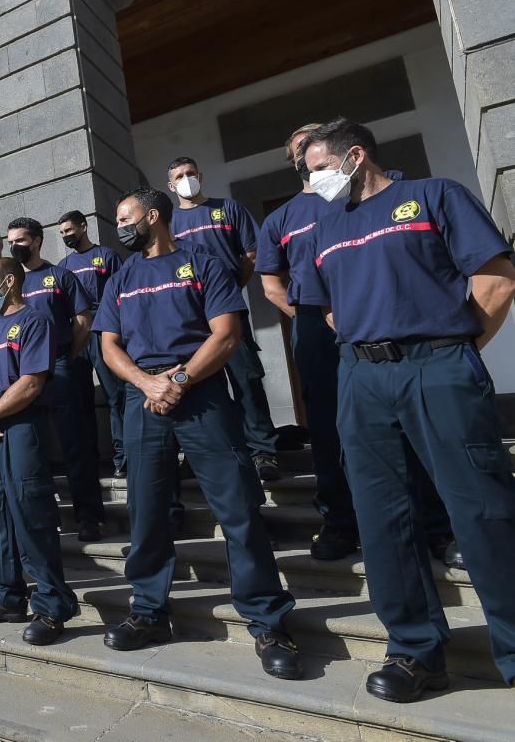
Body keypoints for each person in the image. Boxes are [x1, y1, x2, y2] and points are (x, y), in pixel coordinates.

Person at [301, 117, 515, 702]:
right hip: (363, 377)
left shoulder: (432, 195)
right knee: (381, 516)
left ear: (355, 156)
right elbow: (325, 308)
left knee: (483, 510)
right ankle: (415, 652)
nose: (311, 178)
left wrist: (450, 349)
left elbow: (495, 280)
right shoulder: (325, 226)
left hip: (438, 366)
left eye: (317, 166)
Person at [94, 187, 302, 681]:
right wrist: (148, 382)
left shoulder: (203, 263)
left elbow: (226, 334)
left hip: (202, 395)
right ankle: (148, 610)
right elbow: (109, 345)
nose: (119, 226)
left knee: (238, 508)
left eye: (125, 218)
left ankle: (268, 620)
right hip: (142, 401)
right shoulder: (121, 278)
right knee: (145, 511)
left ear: (151, 216)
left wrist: (179, 380)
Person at [254, 125, 360, 560]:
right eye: (299, 145)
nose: (308, 149)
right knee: (326, 424)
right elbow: (271, 284)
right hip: (315, 325)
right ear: (294, 160)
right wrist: (311, 314)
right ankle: (339, 521)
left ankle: (432, 523)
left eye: (316, 141)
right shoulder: (280, 218)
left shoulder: (359, 196)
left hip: (373, 317)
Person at [0, 256, 78, 645]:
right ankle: (6, 597)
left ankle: (52, 604)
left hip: (21, 428)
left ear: (9, 281)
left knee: (32, 513)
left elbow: (31, 382)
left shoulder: (34, 322)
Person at [168, 156, 283, 482]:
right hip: (189, 320)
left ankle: (263, 450)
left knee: (245, 378)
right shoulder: (170, 221)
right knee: (196, 383)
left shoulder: (228, 209)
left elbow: (251, 255)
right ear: (171, 185)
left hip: (229, 311)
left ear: (200, 175)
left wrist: (229, 289)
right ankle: (201, 453)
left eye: (191, 173)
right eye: (180, 176)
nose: (187, 179)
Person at [4, 216, 105, 542]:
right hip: (20, 372)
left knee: (74, 442)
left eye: (19, 240)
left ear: (36, 241)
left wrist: (67, 357)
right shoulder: (9, 282)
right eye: (10, 240)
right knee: (32, 446)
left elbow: (82, 321)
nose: (13, 246)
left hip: (58, 364)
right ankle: (41, 519)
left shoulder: (60, 276)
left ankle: (89, 516)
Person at [58, 210, 127, 477]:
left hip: (103, 327)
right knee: (80, 398)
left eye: (69, 230)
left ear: (83, 227)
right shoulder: (63, 266)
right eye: (62, 232)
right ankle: (88, 458)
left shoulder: (107, 256)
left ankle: (123, 455)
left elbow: (121, 294)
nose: (66, 235)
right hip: (76, 331)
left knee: (114, 394)